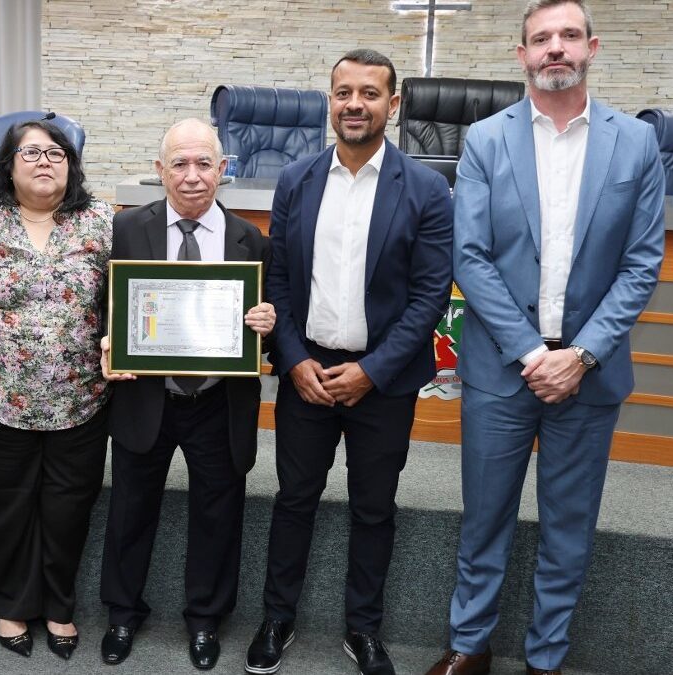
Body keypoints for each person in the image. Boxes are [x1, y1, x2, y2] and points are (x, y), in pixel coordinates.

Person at [422, 3, 665, 674]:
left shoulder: (635, 143)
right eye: (540, 39)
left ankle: (545, 656)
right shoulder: (486, 140)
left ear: (591, 46)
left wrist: (580, 355)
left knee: (567, 527)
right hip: (505, 370)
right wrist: (533, 353)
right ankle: (469, 645)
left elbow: (642, 263)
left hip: (590, 372)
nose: (554, 48)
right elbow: (470, 257)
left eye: (567, 36)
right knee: (485, 518)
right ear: (521, 53)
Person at [244, 50, 453, 675]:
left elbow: (430, 296)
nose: (354, 104)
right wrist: (294, 360)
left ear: (393, 105)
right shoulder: (297, 180)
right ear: (328, 101)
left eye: (369, 93)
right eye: (342, 92)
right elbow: (277, 279)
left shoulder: (426, 189)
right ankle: (277, 617)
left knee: (373, 507)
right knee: (294, 499)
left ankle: (363, 629)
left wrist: (374, 370)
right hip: (306, 372)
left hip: (383, 382)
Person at [97, 118, 275, 671]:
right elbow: (106, 306)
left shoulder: (254, 242)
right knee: (129, 510)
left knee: (218, 514)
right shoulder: (126, 231)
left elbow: (276, 324)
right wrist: (108, 339)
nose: (192, 177)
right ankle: (123, 614)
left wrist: (268, 322)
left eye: (204, 164)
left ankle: (205, 620)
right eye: (179, 164)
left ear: (223, 170)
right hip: (146, 400)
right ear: (160, 171)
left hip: (219, 403)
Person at [0, 119, 113, 661]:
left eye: (56, 153)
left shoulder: (102, 222)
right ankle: (12, 603)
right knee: (5, 505)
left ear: (73, 164)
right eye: (31, 152)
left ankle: (59, 606)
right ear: (8, 164)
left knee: (70, 507)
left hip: (82, 396)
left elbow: (126, 298)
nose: (45, 161)